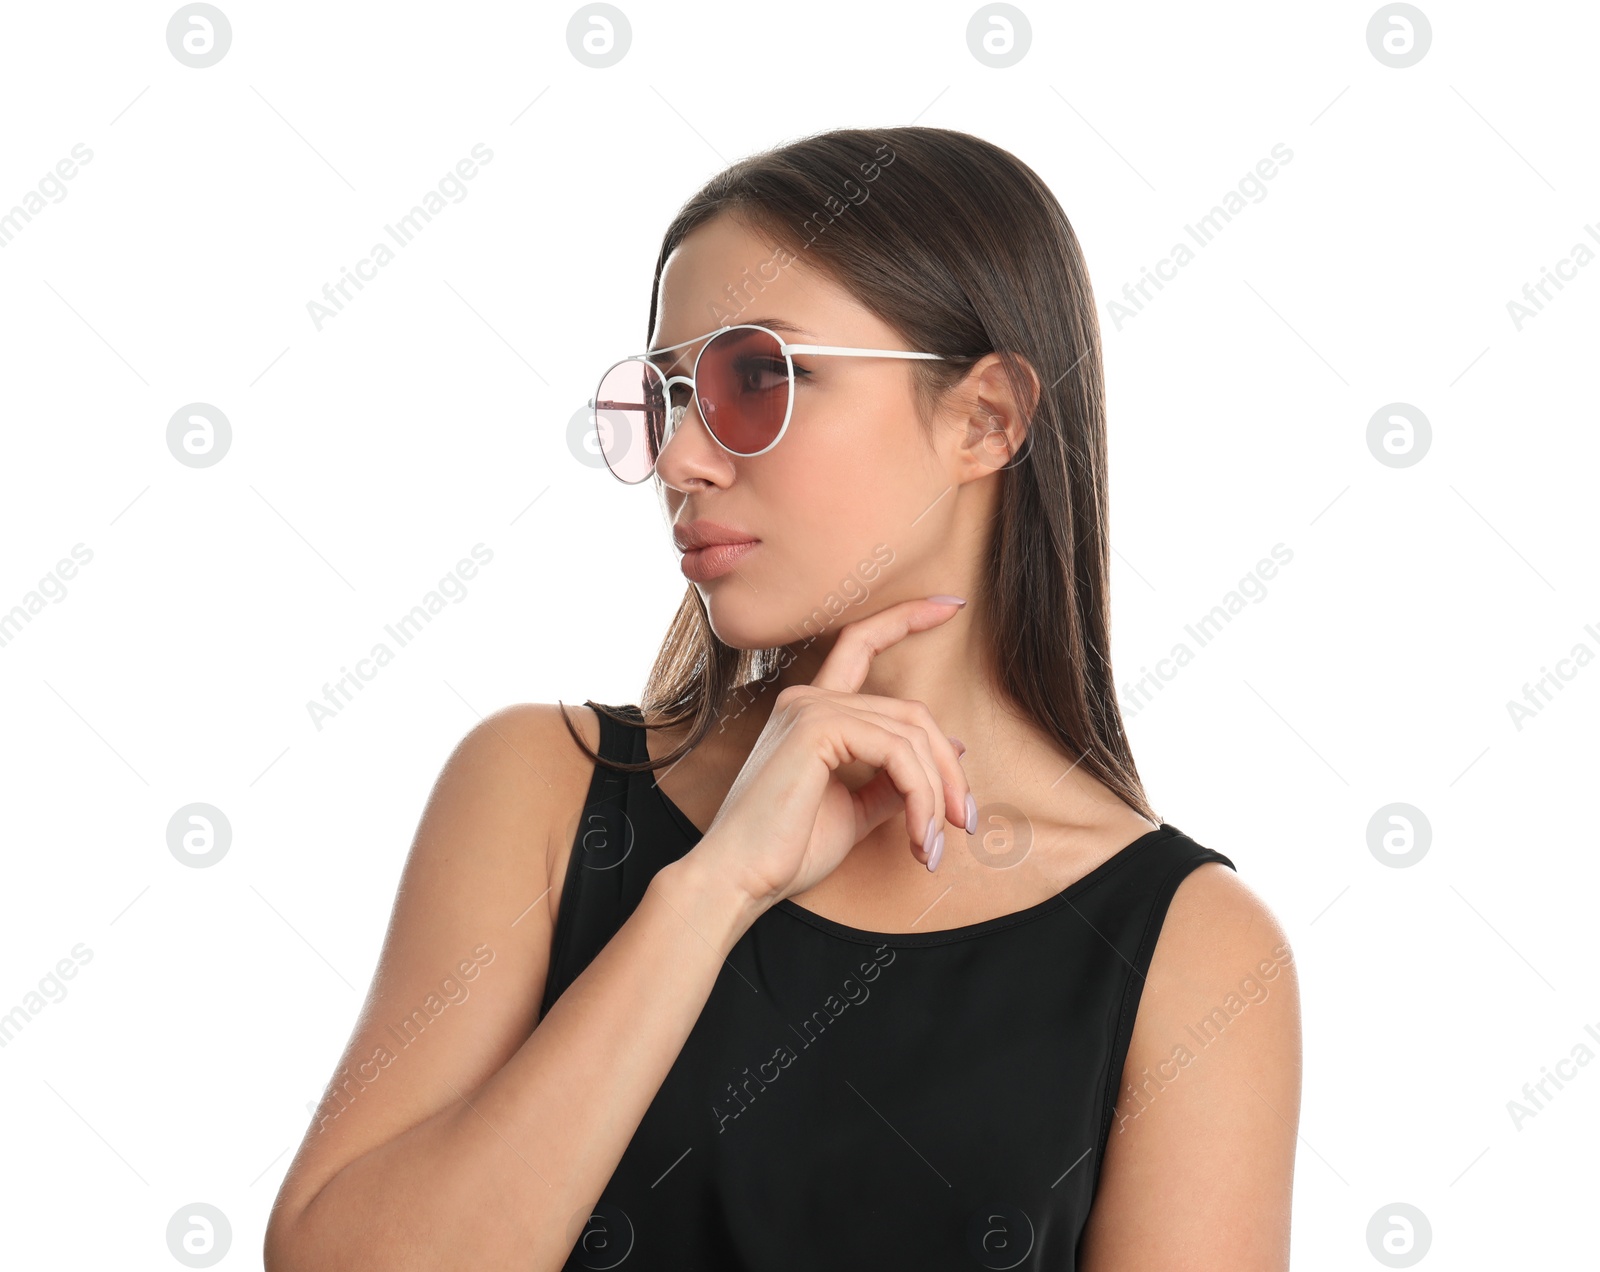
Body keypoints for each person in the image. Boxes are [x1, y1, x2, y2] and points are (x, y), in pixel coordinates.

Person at [264, 125, 1301, 1271]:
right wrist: (711, 891)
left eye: (756, 379)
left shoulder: (1191, 953)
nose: (680, 460)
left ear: (986, 419)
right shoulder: (544, 794)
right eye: (663, 396)